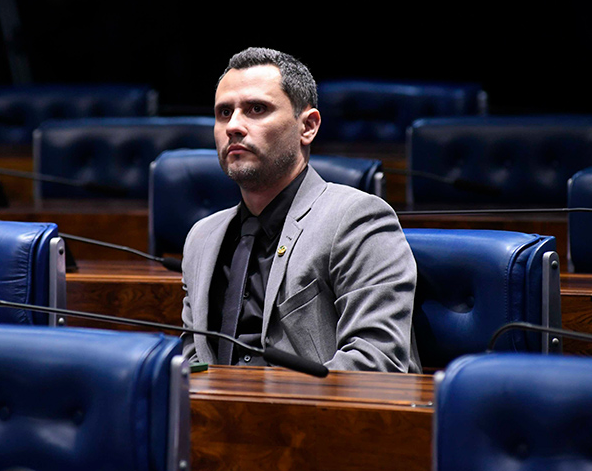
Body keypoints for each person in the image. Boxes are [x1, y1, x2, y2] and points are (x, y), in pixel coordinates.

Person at [180, 47, 421, 372]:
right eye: (224, 113)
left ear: (307, 126)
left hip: (318, 418)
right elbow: (194, 362)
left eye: (256, 109)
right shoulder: (202, 238)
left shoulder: (356, 219)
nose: (233, 126)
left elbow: (377, 363)